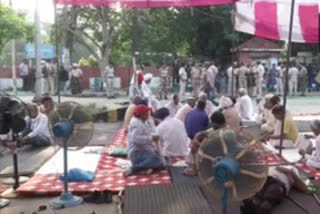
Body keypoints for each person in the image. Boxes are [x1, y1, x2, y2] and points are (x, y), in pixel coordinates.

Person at [241, 166, 307, 214]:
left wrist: (290, 171)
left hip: (277, 182)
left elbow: (303, 188)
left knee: (273, 191)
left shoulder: (293, 169)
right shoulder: (274, 166)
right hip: (264, 179)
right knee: (253, 183)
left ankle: (260, 210)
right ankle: (249, 202)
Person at [184, 111, 231, 176]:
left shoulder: (221, 133)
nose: (212, 124)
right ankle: (193, 166)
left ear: (216, 123)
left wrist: (197, 143)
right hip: (217, 149)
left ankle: (195, 170)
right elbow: (202, 133)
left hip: (218, 154)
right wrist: (197, 136)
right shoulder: (225, 128)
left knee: (194, 147)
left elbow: (208, 146)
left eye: (213, 123)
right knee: (197, 140)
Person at [125, 105, 165, 176]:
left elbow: (148, 133)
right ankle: (134, 169)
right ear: (141, 114)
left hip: (144, 151)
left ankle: (149, 168)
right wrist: (151, 138)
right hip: (136, 152)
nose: (148, 114)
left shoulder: (143, 121)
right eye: (146, 113)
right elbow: (135, 140)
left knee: (162, 163)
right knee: (155, 159)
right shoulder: (136, 124)